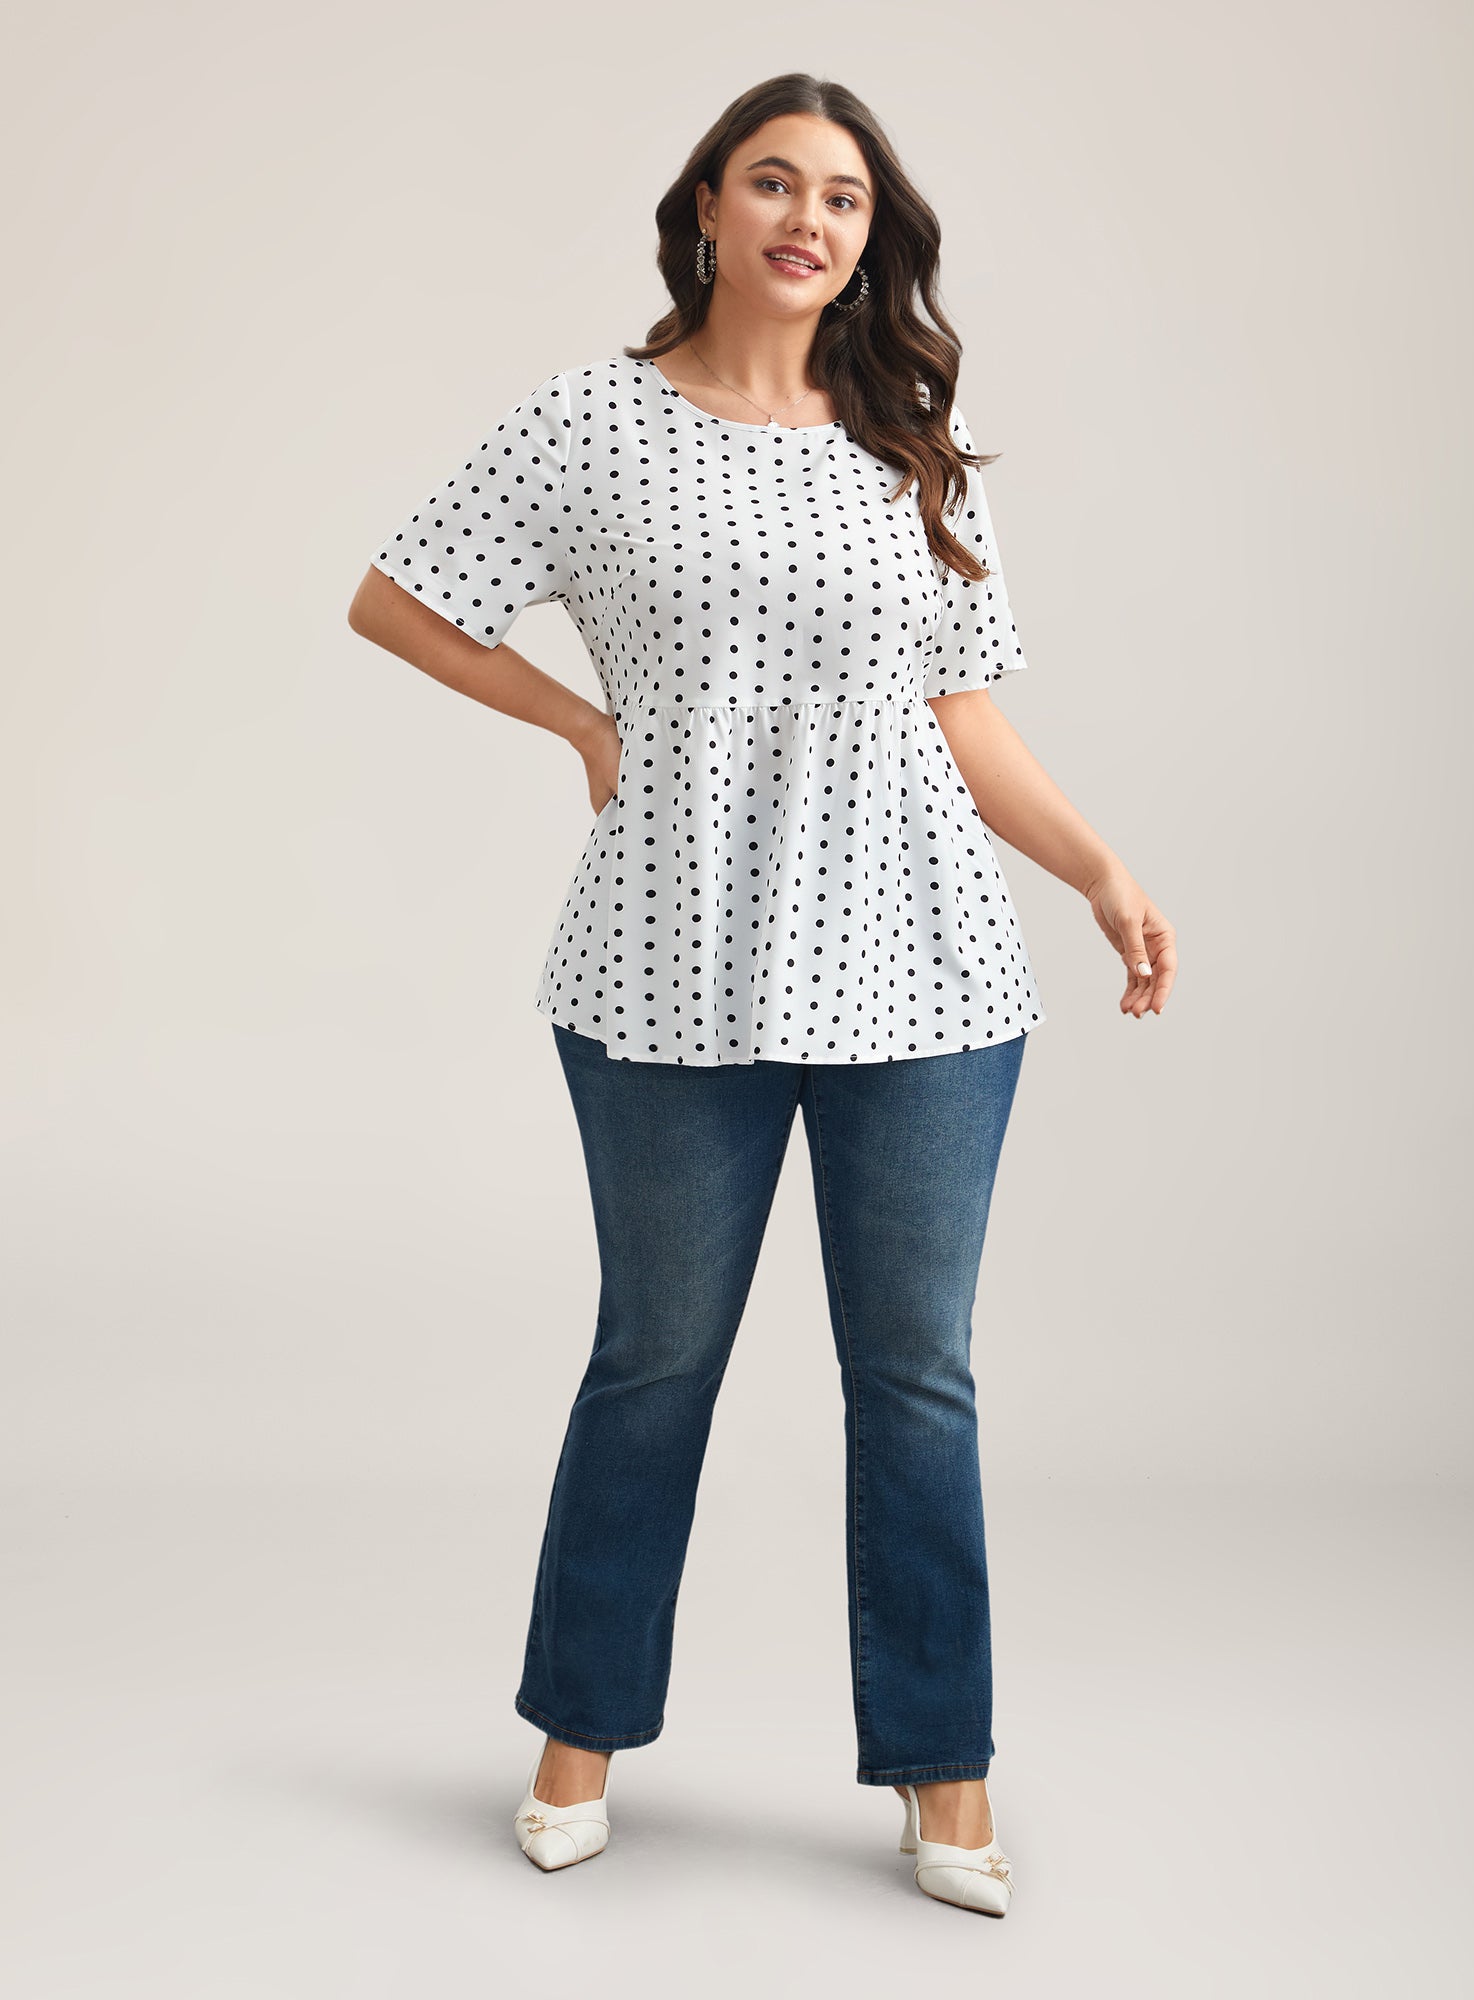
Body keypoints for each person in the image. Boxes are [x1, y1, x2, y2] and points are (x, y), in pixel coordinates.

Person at [348, 73, 1177, 1918]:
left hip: (926, 966)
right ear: (709, 211)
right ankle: (577, 1740)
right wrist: (580, 722)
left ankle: (944, 1772)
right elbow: (398, 598)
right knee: (655, 1359)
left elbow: (963, 714)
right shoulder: (589, 420)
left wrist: (1101, 870)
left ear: (871, 242)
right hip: (667, 966)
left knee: (917, 1378)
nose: (812, 219)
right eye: (777, 183)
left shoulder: (914, 443)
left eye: (847, 199)